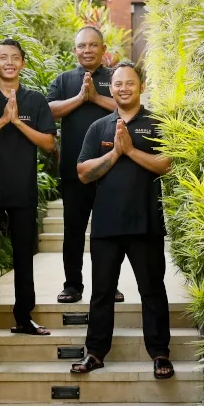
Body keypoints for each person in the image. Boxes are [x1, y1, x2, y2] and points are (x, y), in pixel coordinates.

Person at [70, 62, 175, 380]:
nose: (123, 88)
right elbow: (83, 173)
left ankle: (159, 353)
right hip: (106, 225)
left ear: (141, 86)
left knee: (152, 289)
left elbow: (165, 164)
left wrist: (129, 151)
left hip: (146, 223)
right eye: (117, 84)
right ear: (111, 88)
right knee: (101, 292)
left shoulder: (157, 124)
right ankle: (95, 353)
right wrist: (115, 153)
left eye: (130, 83)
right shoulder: (99, 127)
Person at [0, 38, 57, 338]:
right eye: (3, 57)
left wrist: (18, 122)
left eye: (15, 57)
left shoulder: (35, 100)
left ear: (23, 63)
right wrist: (2, 121)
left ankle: (23, 318)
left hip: (23, 189)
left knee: (23, 257)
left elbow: (48, 144)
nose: (9, 62)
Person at [46, 27, 123, 304]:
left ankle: (109, 285)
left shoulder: (115, 78)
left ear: (104, 50)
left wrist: (95, 98)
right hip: (73, 170)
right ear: (75, 50)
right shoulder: (64, 80)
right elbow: (49, 110)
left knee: (109, 230)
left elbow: (125, 104)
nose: (87, 50)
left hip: (111, 169)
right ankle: (72, 286)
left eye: (93, 45)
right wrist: (80, 98)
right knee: (74, 230)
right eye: (82, 46)